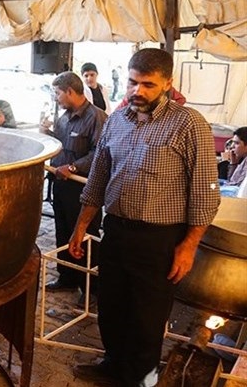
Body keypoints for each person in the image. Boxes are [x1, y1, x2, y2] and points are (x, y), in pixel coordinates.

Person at [68, 48, 220, 387]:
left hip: (159, 240)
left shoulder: (188, 124)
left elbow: (206, 190)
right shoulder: (117, 121)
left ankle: (140, 379)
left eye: (148, 85)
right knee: (111, 305)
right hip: (117, 230)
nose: (138, 91)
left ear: (168, 82)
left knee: (147, 318)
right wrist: (81, 226)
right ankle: (112, 364)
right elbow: (98, 178)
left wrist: (189, 245)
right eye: (133, 83)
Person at [39, 72, 107, 303]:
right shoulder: (63, 119)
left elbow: (99, 153)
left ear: (69, 91)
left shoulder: (97, 117)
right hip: (61, 185)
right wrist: (45, 134)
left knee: (86, 234)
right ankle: (66, 277)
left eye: (58, 93)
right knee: (63, 230)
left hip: (84, 188)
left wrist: (74, 168)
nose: (56, 98)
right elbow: (59, 146)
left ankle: (92, 287)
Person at [220, 127, 247, 196]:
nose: (232, 146)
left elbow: (235, 186)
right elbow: (231, 181)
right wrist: (233, 163)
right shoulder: (243, 159)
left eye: (237, 143)